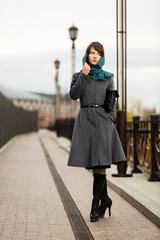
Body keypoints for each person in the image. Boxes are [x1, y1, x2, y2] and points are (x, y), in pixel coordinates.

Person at [68, 42, 126, 222]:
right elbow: (73, 95)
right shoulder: (78, 75)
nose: (95, 56)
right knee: (94, 163)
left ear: (102, 57)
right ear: (87, 55)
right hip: (86, 120)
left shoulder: (108, 77)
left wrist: (109, 118)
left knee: (100, 163)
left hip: (102, 121)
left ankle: (96, 203)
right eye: (92, 53)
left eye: (98, 53)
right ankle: (106, 199)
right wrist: (84, 76)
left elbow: (111, 103)